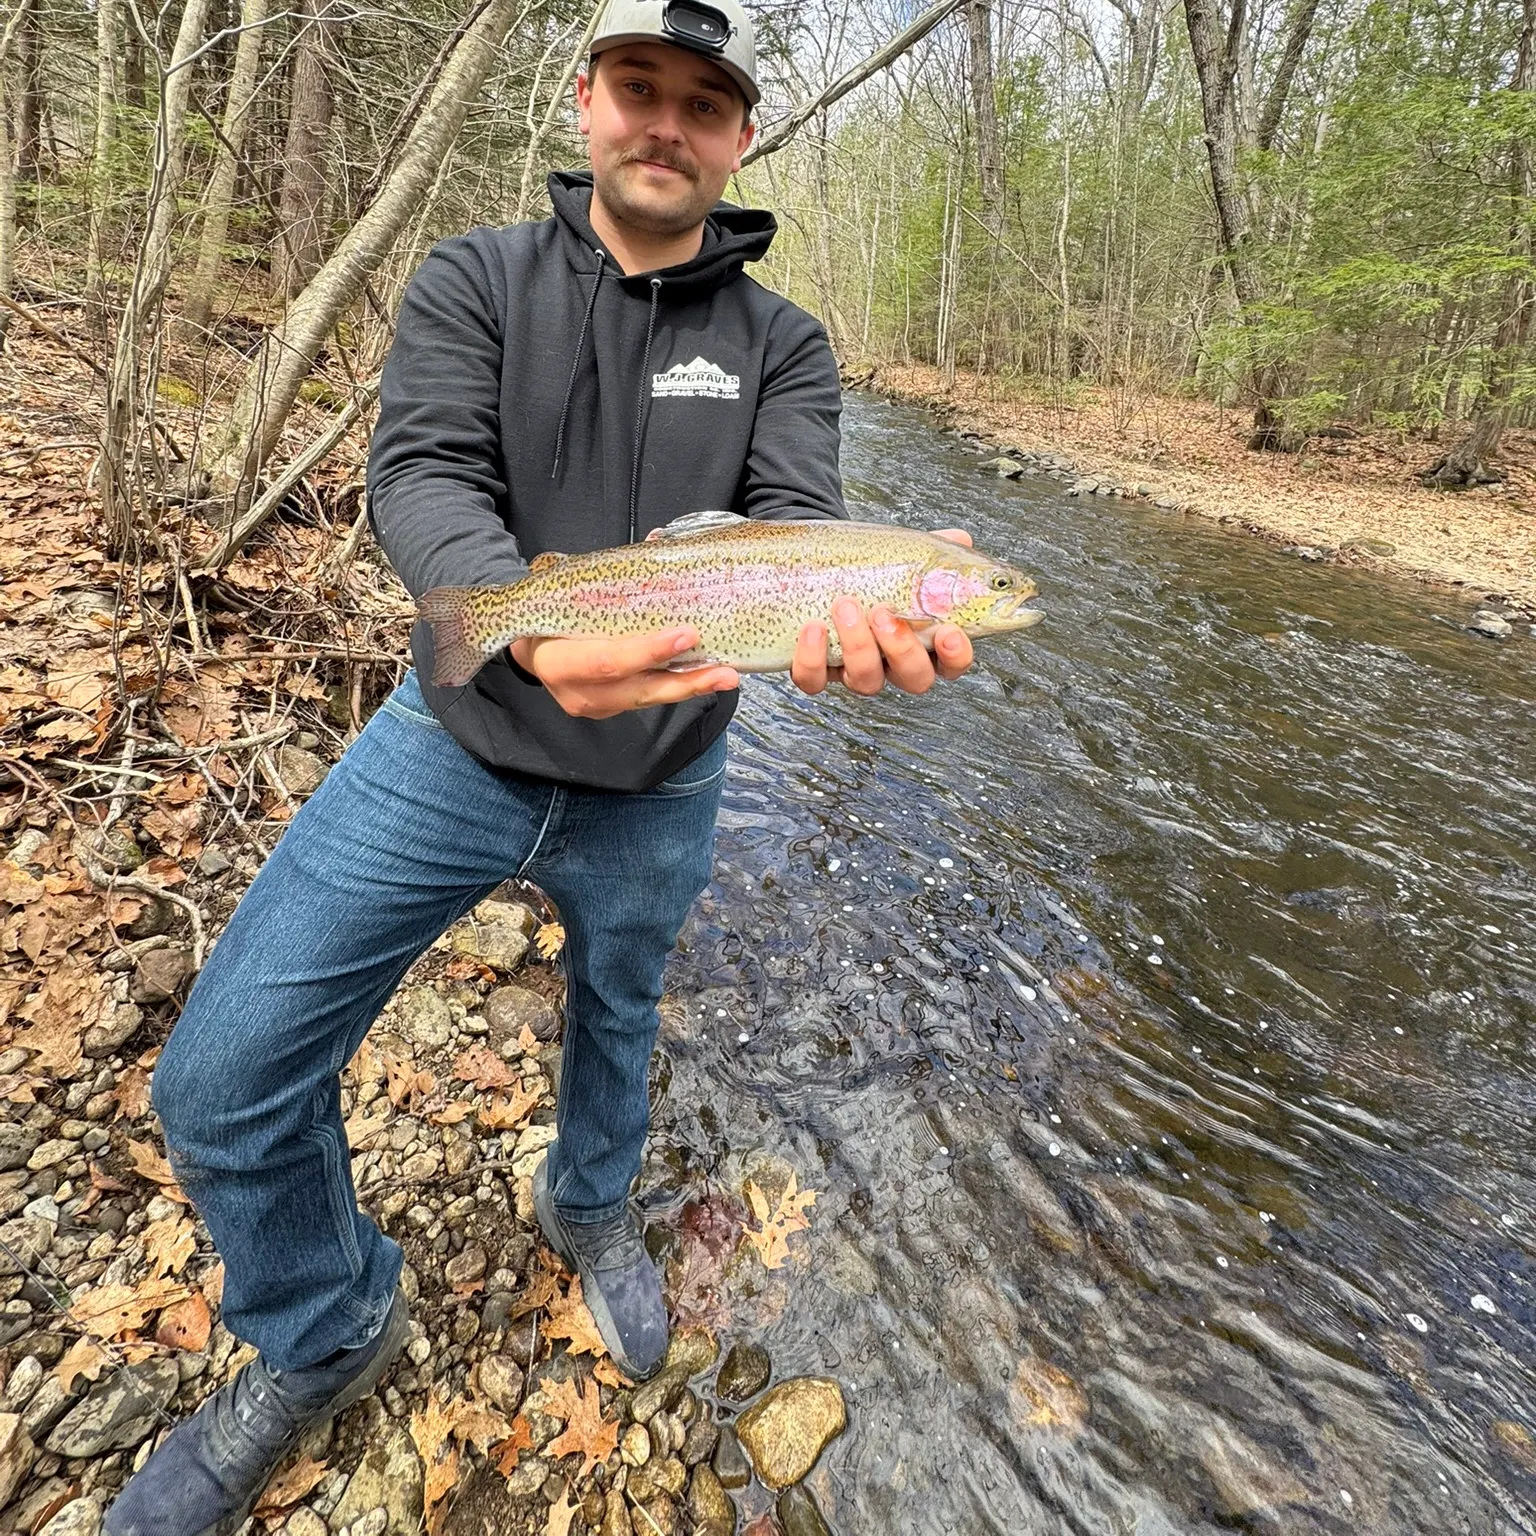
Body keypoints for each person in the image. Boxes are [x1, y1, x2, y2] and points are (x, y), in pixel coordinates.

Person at [104, 1, 976, 1531]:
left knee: (619, 1020)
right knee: (222, 1081)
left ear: (740, 137)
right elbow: (424, 470)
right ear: (584, 103)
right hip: (455, 742)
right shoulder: (476, 278)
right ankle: (325, 1330)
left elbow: (792, 520)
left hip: (667, 779)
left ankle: (588, 1212)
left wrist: (858, 610)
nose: (665, 123)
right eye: (638, 87)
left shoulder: (785, 344)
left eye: (702, 104)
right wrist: (510, 632)